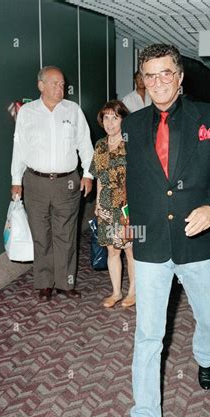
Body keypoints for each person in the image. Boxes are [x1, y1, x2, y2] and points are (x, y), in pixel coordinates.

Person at [123, 43, 210, 417]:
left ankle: (206, 357)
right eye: (150, 76)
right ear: (143, 80)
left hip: (196, 240)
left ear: (180, 76)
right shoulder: (132, 126)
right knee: (148, 335)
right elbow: (132, 182)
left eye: (166, 73)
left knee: (209, 318)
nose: (158, 83)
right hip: (151, 243)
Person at [10, 66, 94, 301]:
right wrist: (16, 180)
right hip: (34, 182)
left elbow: (85, 145)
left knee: (66, 234)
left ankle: (66, 283)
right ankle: (45, 283)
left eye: (62, 84)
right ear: (41, 85)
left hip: (67, 182)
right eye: (55, 83)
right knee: (41, 233)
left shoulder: (73, 110)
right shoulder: (27, 112)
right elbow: (19, 147)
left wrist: (88, 174)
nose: (61, 88)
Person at [90, 100, 135, 308]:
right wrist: (99, 202)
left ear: (123, 120)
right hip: (107, 204)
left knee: (129, 250)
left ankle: (133, 292)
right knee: (112, 250)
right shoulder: (99, 145)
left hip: (127, 204)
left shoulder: (131, 144)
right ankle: (116, 292)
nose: (110, 123)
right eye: (106, 117)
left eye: (115, 118)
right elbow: (99, 176)